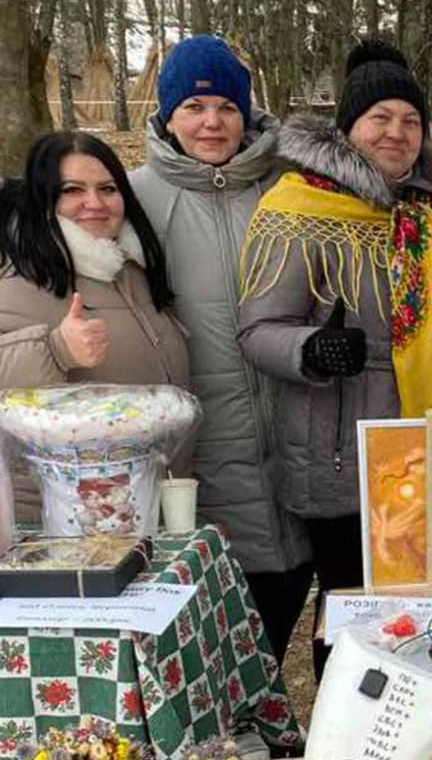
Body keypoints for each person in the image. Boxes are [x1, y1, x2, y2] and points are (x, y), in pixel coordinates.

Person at [237, 38, 432, 675]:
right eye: (379, 119)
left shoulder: (426, 213)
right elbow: (256, 330)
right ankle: (340, 739)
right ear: (348, 129)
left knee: (410, 608)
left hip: (417, 445)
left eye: (411, 121)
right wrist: (312, 348)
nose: (397, 133)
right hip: (340, 449)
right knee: (349, 605)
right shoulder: (298, 209)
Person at [125, 36, 300, 649]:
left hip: (290, 430)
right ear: (168, 116)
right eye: (194, 108)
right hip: (200, 446)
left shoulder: (287, 186)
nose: (211, 122)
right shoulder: (132, 198)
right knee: (212, 625)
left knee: (282, 605)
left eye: (226, 107)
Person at [0, 132, 190, 522]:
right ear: (43, 198)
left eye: (107, 188)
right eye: (72, 190)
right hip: (58, 521)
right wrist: (54, 350)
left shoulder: (128, 269)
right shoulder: (7, 273)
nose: (94, 203)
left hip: (136, 507)